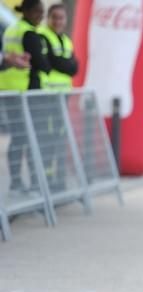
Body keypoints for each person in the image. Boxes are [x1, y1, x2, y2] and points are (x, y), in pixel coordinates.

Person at [0, 0, 51, 194]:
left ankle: (17, 182)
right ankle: (26, 183)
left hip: (9, 89)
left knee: (18, 137)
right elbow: (42, 64)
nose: (41, 16)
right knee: (26, 138)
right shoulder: (28, 32)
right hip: (23, 91)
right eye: (38, 12)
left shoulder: (12, 28)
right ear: (28, 11)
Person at [38, 3, 78, 191]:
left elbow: (74, 67)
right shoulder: (43, 37)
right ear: (48, 18)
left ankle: (58, 177)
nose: (58, 21)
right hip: (48, 95)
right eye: (54, 17)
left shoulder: (66, 40)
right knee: (48, 137)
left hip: (63, 95)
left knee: (61, 137)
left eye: (61, 18)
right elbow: (51, 63)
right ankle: (46, 179)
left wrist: (63, 64)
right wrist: (64, 64)